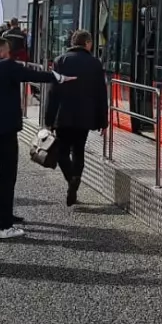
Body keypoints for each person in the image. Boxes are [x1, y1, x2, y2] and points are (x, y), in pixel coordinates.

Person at [0, 35, 66, 240]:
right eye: (7, 53)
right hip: (3, 131)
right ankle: (4, 225)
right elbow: (33, 75)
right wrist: (60, 77)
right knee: (5, 177)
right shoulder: (4, 65)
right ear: (1, 52)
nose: (9, 56)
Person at [43, 30, 108, 206]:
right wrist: (103, 121)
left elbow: (53, 92)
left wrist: (48, 119)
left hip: (62, 115)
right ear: (87, 43)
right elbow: (101, 93)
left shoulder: (60, 61)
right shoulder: (95, 63)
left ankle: (71, 178)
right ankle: (76, 179)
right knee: (78, 150)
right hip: (85, 116)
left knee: (62, 152)